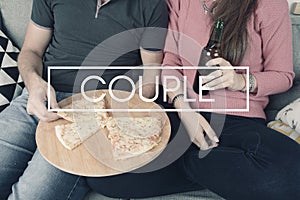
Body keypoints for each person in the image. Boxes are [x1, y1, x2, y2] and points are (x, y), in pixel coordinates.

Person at [87, 0, 300, 199]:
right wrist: (183, 108)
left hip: (239, 120)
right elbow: (169, 64)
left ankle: (190, 163)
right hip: (181, 113)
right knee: (103, 176)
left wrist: (240, 81)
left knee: (292, 178)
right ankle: (220, 170)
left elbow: (283, 76)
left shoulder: (269, 4)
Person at [0, 0, 168, 199]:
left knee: (31, 195)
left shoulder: (152, 5)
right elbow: (31, 51)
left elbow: (150, 71)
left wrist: (121, 112)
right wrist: (34, 83)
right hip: (43, 95)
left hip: (98, 112)